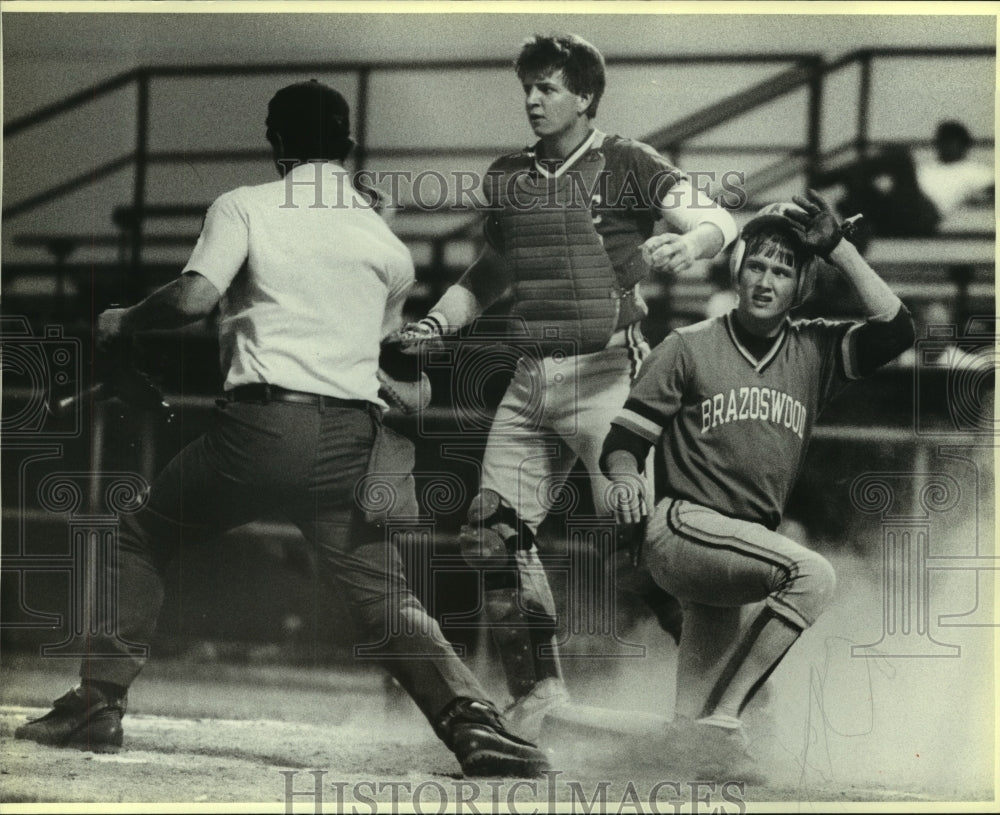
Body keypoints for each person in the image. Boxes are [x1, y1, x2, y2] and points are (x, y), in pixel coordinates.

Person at [14, 80, 549, 779]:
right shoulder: (384, 242)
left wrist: (124, 319)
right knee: (384, 595)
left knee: (143, 532)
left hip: (259, 430)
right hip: (349, 440)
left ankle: (97, 699)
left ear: (276, 145)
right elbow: (388, 372)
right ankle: (474, 722)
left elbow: (196, 296)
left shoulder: (245, 204)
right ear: (346, 146)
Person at [398, 33, 737, 738]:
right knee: (492, 539)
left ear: (585, 95)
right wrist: (436, 323)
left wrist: (691, 243)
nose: (531, 98)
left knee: (648, 547)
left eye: (548, 87)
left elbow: (718, 218)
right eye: (528, 85)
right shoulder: (507, 175)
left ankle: (733, 700)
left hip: (608, 375)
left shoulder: (628, 161)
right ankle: (536, 695)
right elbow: (490, 273)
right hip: (529, 379)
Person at [600, 189, 915, 746]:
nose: (766, 281)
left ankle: (575, 732)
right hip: (682, 528)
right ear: (738, 271)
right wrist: (626, 474)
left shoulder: (813, 350)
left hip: (738, 550)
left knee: (687, 737)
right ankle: (728, 720)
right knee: (814, 576)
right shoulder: (687, 346)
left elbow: (896, 329)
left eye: (783, 271)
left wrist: (839, 249)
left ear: (801, 287)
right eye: (757, 266)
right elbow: (623, 440)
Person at [915, 119, 994, 222]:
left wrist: (979, 201)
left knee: (900, 161)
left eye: (951, 141)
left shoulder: (975, 171)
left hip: (932, 212)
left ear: (963, 145)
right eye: (942, 140)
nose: (945, 145)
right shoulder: (924, 169)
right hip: (908, 205)